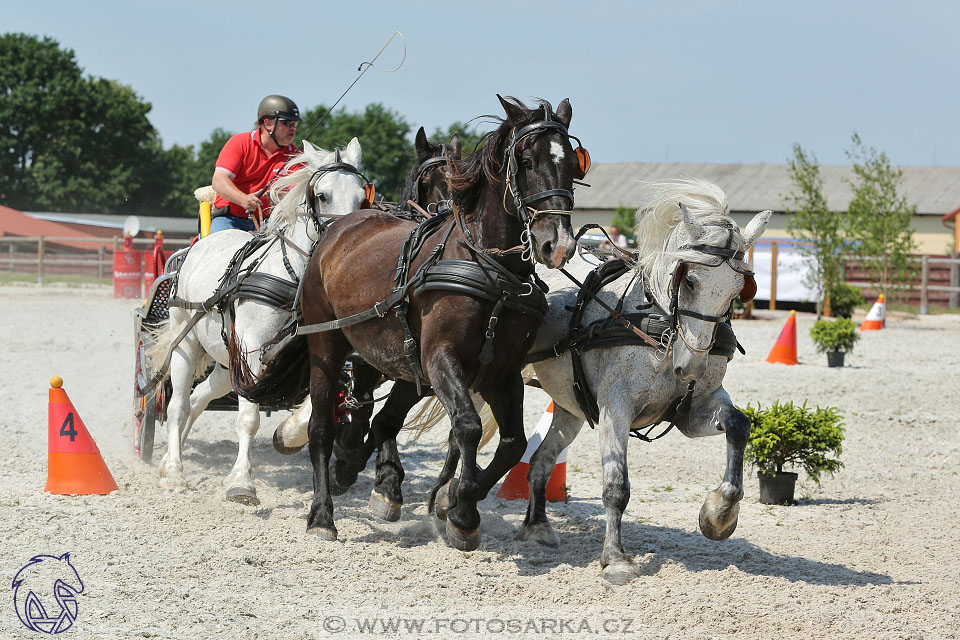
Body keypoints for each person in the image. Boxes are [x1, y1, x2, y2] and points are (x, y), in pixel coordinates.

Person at [209, 95, 303, 233]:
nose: (293, 128)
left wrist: (279, 196)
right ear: (268, 123)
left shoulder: (297, 157)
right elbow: (219, 180)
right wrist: (243, 199)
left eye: (295, 124)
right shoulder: (239, 143)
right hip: (229, 219)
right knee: (218, 250)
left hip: (268, 222)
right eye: (287, 123)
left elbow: (298, 193)